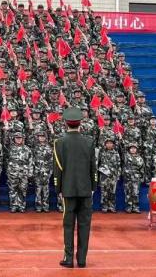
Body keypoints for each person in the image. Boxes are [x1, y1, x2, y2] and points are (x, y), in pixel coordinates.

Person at [53, 106, 96, 269]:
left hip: (68, 189)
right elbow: (93, 167)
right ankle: (82, 259)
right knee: (84, 225)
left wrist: (58, 189)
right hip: (86, 190)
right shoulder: (89, 142)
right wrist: (93, 186)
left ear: (66, 123)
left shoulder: (59, 142)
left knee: (68, 225)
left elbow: (58, 168)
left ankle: (69, 258)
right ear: (80, 123)